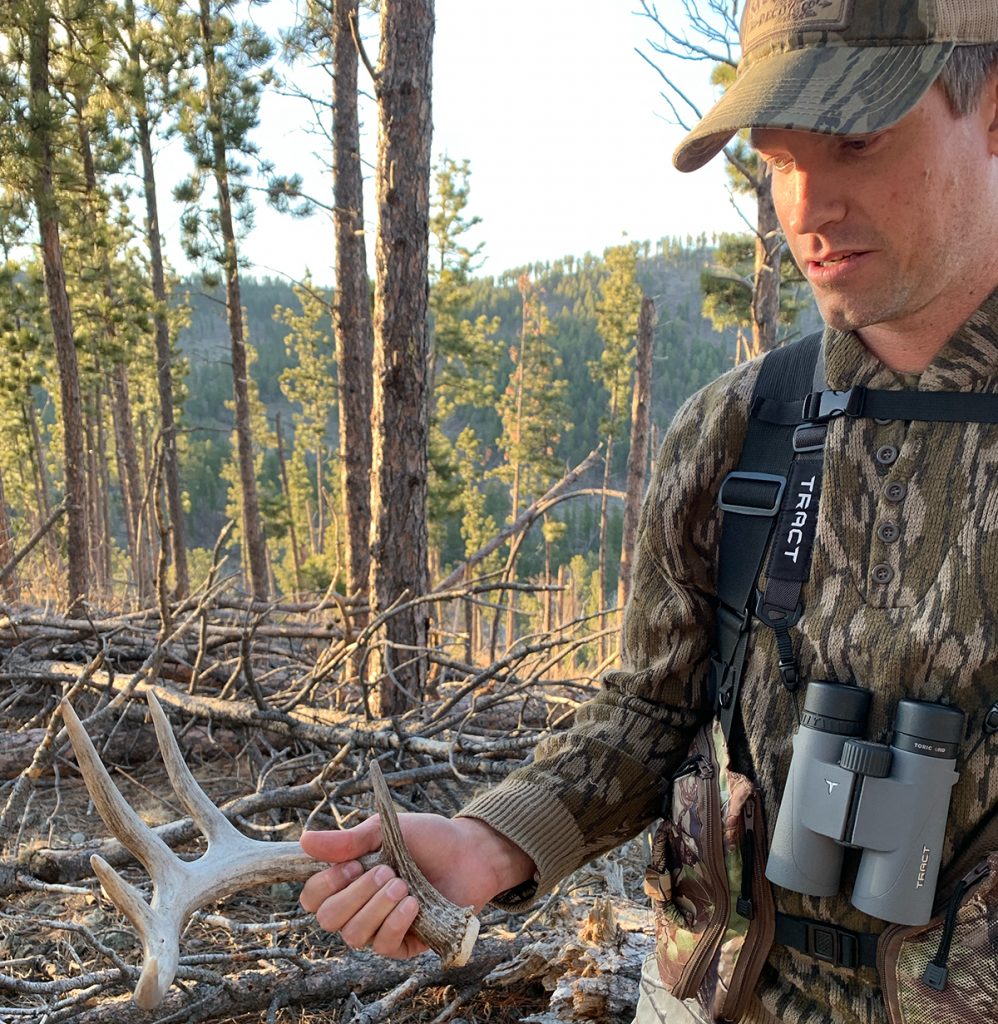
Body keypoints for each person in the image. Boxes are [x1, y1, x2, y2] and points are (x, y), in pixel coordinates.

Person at [300, 1, 998, 1020]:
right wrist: (494, 840)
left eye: (855, 139)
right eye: (776, 157)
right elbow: (653, 704)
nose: (806, 204)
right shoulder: (736, 431)